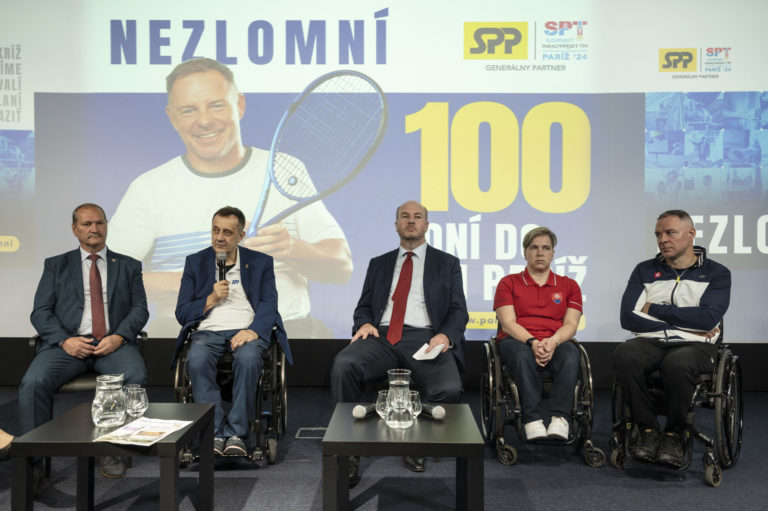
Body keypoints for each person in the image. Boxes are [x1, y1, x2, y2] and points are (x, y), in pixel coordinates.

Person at [108, 57, 352, 338]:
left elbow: (341, 268)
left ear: (240, 105)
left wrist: (292, 249)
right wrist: (192, 282)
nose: (204, 121)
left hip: (283, 330)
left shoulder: (285, 169)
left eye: (216, 105)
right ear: (172, 117)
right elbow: (108, 280)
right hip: (189, 333)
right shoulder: (149, 188)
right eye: (188, 110)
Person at [330, 200, 467, 485]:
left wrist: (445, 335)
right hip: (381, 337)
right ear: (396, 225)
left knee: (449, 389)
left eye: (417, 216)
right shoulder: (379, 263)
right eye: (405, 216)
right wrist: (364, 323)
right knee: (344, 365)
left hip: (426, 337)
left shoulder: (447, 263)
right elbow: (363, 306)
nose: (411, 221)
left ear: (426, 225)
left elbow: (458, 311)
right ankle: (349, 450)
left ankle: (417, 444)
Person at [20, 203, 148, 479]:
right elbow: (40, 312)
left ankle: (113, 448)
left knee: (134, 375)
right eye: (87, 224)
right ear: (74, 229)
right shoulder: (56, 265)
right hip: (67, 347)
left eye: (99, 223)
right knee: (33, 383)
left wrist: (118, 336)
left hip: (112, 345)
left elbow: (140, 310)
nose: (94, 229)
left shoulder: (129, 265)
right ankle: (33, 464)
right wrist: (64, 340)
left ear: (106, 226)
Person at [614, 210, 730, 468]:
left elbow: (707, 319)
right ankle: (648, 429)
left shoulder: (717, 273)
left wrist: (653, 309)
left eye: (670, 233)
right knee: (625, 354)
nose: (663, 239)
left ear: (691, 234)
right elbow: (627, 317)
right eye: (658, 234)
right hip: (652, 340)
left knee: (678, 363)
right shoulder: (644, 270)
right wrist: (684, 325)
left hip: (697, 346)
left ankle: (674, 434)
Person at [175, 206, 291, 457]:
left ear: (240, 236)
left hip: (246, 329)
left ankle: (237, 433)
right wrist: (210, 299)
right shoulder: (195, 262)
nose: (219, 237)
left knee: (249, 359)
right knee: (196, 359)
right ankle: (215, 432)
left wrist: (254, 331)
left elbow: (269, 303)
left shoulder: (260, 262)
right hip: (208, 331)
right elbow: (182, 312)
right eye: (215, 230)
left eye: (227, 232)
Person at [493, 227, 583, 441]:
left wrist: (553, 341)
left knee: (571, 354)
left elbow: (571, 324)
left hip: (556, 340)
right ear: (525, 252)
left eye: (546, 248)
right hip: (517, 340)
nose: (540, 253)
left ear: (553, 253)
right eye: (534, 248)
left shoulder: (569, 285)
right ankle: (532, 419)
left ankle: (560, 419)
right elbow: (508, 323)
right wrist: (532, 342)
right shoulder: (508, 283)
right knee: (521, 355)